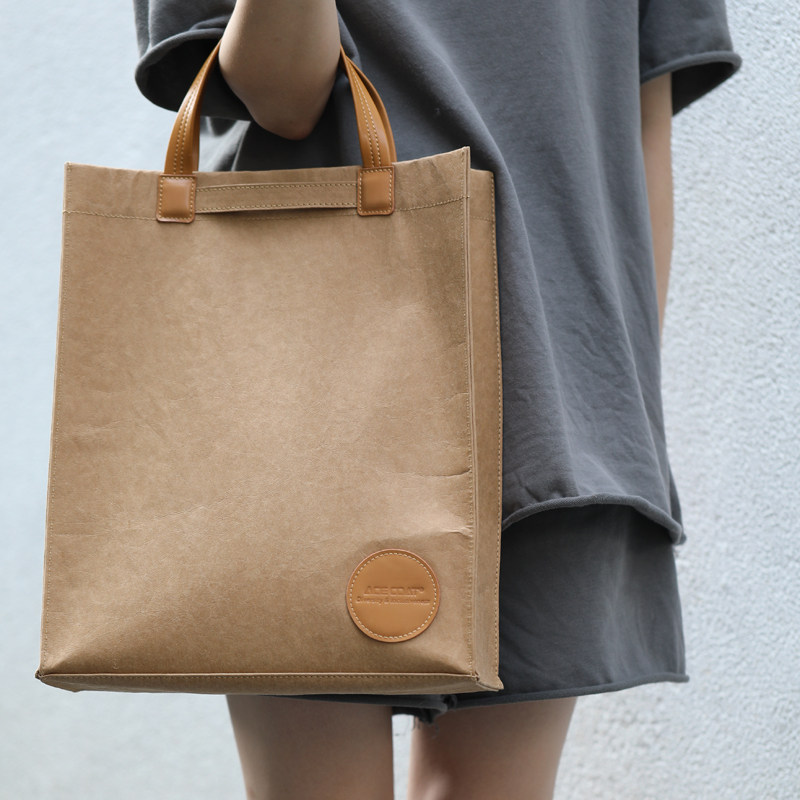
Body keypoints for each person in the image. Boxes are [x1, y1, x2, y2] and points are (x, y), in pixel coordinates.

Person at [133, 2, 742, 797]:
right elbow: (282, 96)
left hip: (559, 377)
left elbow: (638, 121)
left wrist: (614, 396)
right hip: (311, 362)